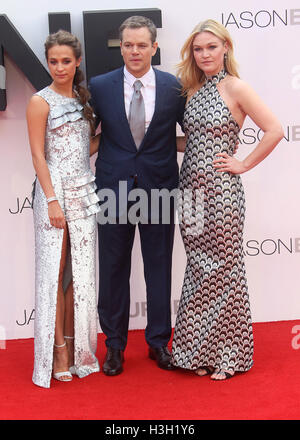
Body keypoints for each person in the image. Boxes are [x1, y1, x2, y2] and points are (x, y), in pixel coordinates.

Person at [171, 19, 283, 380]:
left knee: (224, 269)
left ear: (225, 49)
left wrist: (243, 163)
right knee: (198, 269)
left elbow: (275, 130)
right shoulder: (191, 90)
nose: (204, 54)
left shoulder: (236, 87)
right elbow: (193, 141)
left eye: (211, 47)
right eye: (198, 49)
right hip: (189, 190)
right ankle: (196, 354)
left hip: (221, 192)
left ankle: (229, 355)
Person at [89, 16, 186, 375]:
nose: (134, 51)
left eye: (141, 45)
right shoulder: (99, 86)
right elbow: (90, 136)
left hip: (159, 186)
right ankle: (114, 346)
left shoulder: (174, 87)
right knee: (113, 269)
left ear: (154, 47)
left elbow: (185, 134)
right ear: (120, 46)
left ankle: (159, 342)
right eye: (127, 44)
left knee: (159, 267)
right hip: (113, 188)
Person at [27, 30, 100, 388]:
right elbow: (38, 155)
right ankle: (56, 352)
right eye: (53, 61)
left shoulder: (83, 99)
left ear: (77, 62)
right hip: (53, 196)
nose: (59, 67)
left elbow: (83, 150)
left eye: (66, 61)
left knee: (80, 276)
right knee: (54, 275)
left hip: (84, 193)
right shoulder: (40, 102)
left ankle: (76, 348)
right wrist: (52, 200)